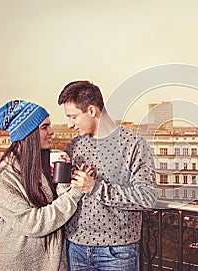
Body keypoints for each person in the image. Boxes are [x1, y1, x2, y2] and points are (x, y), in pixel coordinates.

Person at [0, 100, 96, 271]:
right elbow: (34, 223)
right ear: (27, 134)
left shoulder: (41, 167)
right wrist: (75, 192)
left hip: (53, 264)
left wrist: (65, 178)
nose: (52, 132)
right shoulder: (0, 178)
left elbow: (59, 207)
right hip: (21, 265)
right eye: (44, 127)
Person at [57, 80, 157, 271]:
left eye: (73, 117)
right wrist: (62, 178)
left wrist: (95, 188)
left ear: (92, 111)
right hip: (75, 247)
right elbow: (66, 195)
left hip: (117, 251)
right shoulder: (74, 145)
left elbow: (147, 198)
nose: (69, 124)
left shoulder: (134, 144)